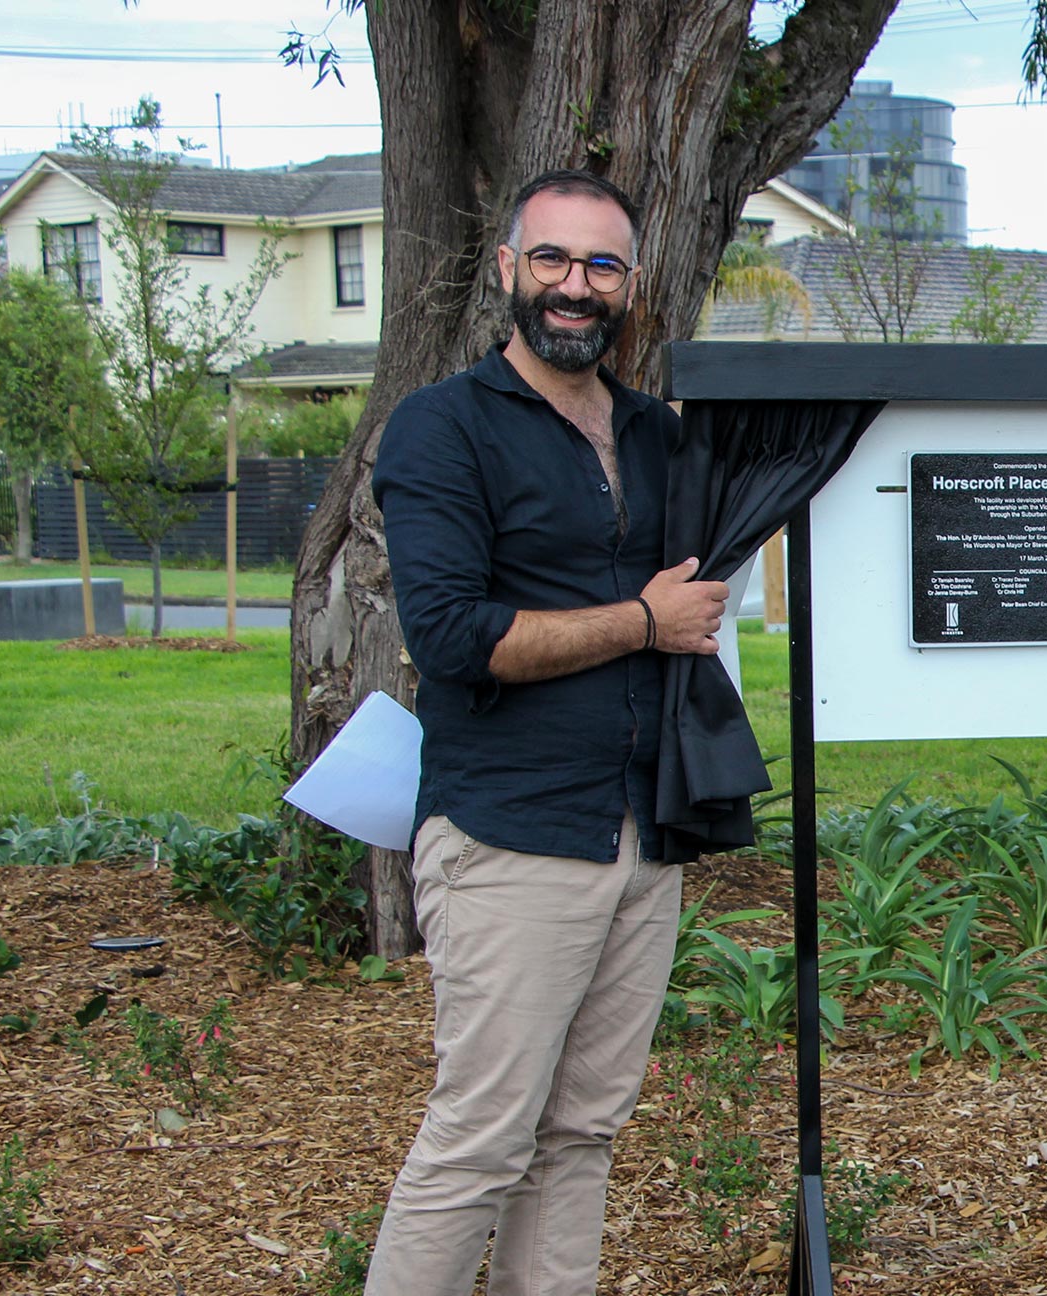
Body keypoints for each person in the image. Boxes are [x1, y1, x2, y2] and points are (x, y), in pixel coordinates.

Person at [366, 169, 732, 1296]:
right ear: (509, 270)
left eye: (602, 265)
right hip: (512, 835)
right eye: (554, 261)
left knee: (581, 1136)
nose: (576, 287)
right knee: (481, 1140)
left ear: (634, 285)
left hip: (641, 830)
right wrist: (642, 623)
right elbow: (452, 637)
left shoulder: (659, 435)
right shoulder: (443, 429)